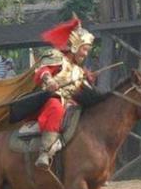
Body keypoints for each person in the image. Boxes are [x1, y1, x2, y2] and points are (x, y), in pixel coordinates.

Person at [32, 16, 95, 169]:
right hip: (50, 100)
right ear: (75, 46)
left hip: (72, 104)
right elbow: (43, 70)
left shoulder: (79, 71)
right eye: (84, 49)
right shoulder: (57, 57)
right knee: (56, 108)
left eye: (88, 50)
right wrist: (50, 80)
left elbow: (84, 92)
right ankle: (45, 152)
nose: (86, 54)